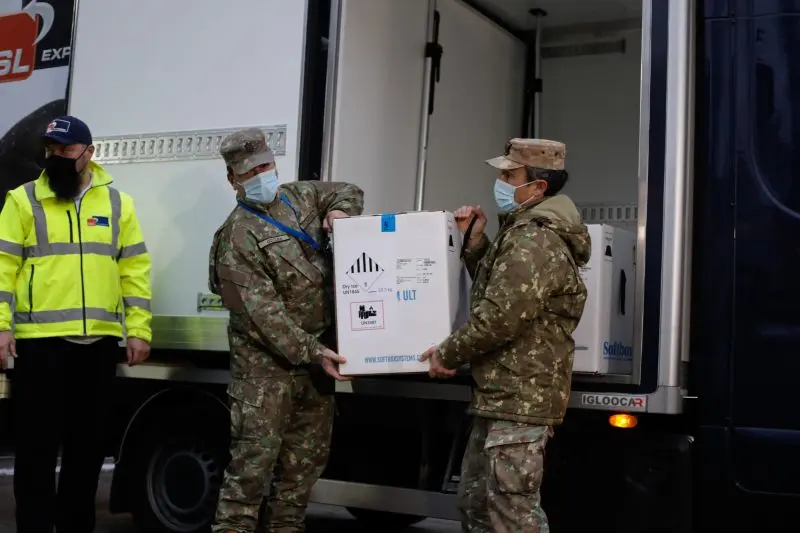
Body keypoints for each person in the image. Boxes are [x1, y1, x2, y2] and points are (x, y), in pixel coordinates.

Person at [420, 138, 591, 532]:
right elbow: (505, 288)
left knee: (511, 514)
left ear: (538, 186)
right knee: (477, 506)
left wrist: (447, 353)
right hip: (500, 395)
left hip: (520, 397)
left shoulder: (535, 238)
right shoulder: (524, 233)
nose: (500, 181)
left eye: (509, 175)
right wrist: (476, 241)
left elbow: (501, 316)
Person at [0, 115, 153, 533]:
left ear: (89, 153)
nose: (56, 159)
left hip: (98, 347)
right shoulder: (22, 200)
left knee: (86, 451)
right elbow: (3, 266)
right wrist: (1, 326)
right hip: (39, 345)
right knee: (36, 450)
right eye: (50, 151)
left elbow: (134, 269)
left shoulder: (118, 204)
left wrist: (139, 329)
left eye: (66, 152)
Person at [209, 127, 364, 533]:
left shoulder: (300, 197)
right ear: (233, 179)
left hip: (314, 373)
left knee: (298, 481)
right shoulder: (236, 236)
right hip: (265, 375)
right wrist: (316, 351)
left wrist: (340, 212)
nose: (262, 175)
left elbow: (348, 190)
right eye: (249, 171)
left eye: (265, 166)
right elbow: (264, 317)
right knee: (248, 481)